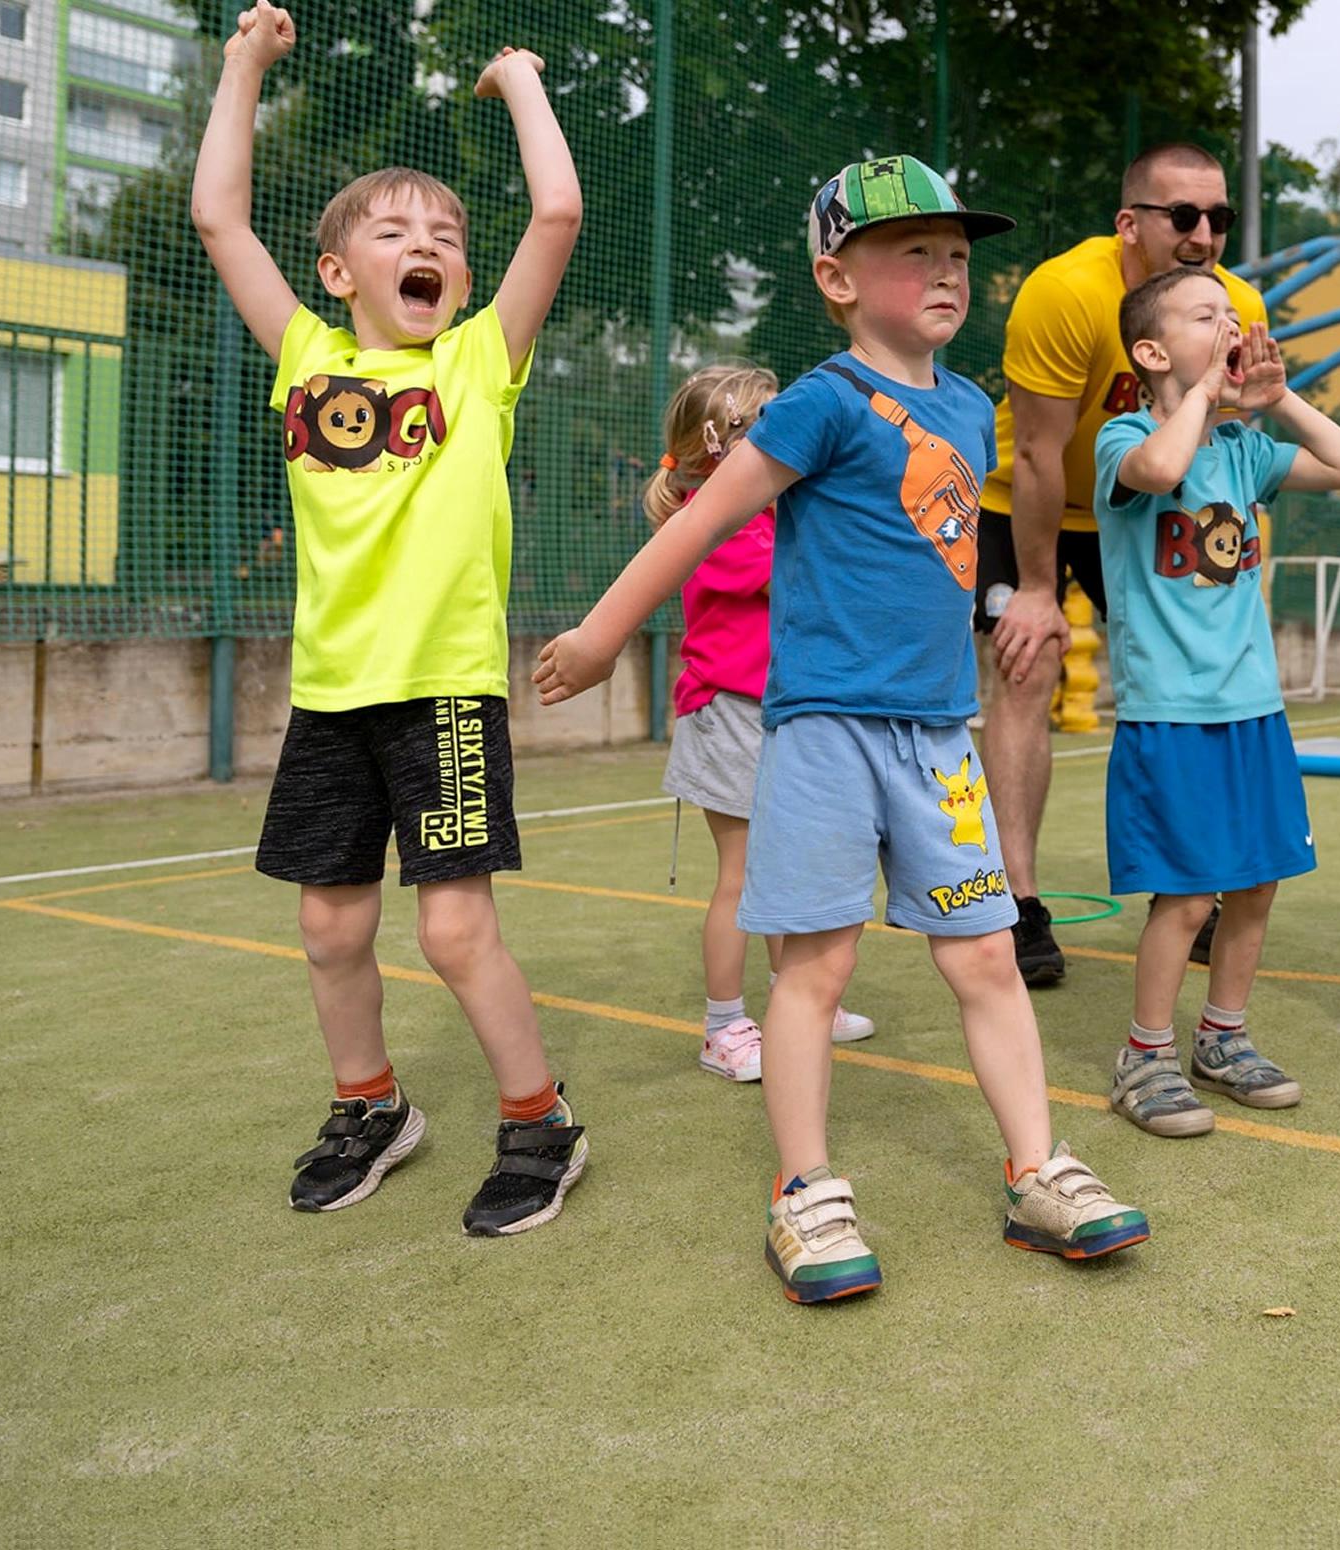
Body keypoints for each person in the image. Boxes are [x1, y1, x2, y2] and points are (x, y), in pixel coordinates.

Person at [535, 156, 1148, 1303]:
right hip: (820, 734)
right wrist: (605, 630)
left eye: (958, 253)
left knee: (985, 954)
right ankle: (805, 1193)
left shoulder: (969, 405)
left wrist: (1027, 594)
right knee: (813, 967)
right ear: (836, 275)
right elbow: (704, 519)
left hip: (941, 739)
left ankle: (1037, 1168)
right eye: (914, 250)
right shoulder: (819, 400)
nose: (946, 270)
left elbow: (998, 512)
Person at [192, 4, 586, 1234]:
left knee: (457, 927)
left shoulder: (478, 366)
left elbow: (559, 214)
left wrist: (521, 81)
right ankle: (371, 1104)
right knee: (329, 924)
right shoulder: (306, 359)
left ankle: (539, 1120)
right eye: (396, 230)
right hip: (332, 695)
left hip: (444, 692)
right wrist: (243, 66)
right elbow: (218, 217)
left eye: (449, 236)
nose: (430, 245)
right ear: (338, 270)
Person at [977, 142, 1268, 986]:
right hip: (1026, 501)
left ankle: (1190, 888)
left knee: (1191, 679)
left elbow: (1232, 451)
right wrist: (1036, 589)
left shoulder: (1232, 306)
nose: (1204, 233)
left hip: (1145, 508)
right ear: (1129, 223)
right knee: (1026, 671)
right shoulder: (1066, 294)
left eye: (1219, 217)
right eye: (1183, 216)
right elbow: (1036, 454)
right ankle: (1021, 905)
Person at [1092, 269, 1340, 1137]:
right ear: (1151, 349)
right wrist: (1211, 391)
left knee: (1255, 886)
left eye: (1236, 316)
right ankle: (1145, 1054)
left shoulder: (1246, 451)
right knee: (1185, 898)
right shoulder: (1123, 438)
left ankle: (1223, 1037)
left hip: (1254, 709)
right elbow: (1164, 463)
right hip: (1171, 714)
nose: (1231, 325)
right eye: (1207, 315)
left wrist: (1278, 401)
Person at [643, 365, 876, 1082]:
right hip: (727, 713)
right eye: (772, 422)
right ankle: (722, 1028)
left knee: (789, 870)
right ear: (723, 449)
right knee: (742, 877)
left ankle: (793, 1002)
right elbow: (804, 576)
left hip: (777, 712)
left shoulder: (766, 516)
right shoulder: (716, 522)